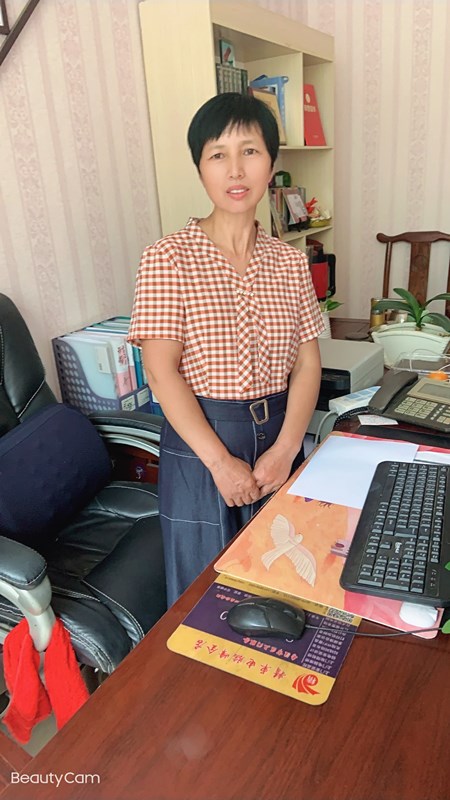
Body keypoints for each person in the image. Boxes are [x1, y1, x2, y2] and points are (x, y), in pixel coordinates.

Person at [128, 92, 324, 606]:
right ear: (200, 169)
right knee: (204, 593)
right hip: (202, 443)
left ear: (271, 164)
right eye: (218, 155)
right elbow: (161, 371)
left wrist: (286, 448)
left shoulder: (289, 262)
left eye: (250, 151)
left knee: (284, 585)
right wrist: (219, 463)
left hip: (279, 432)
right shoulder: (168, 258)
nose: (235, 170)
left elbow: (307, 363)